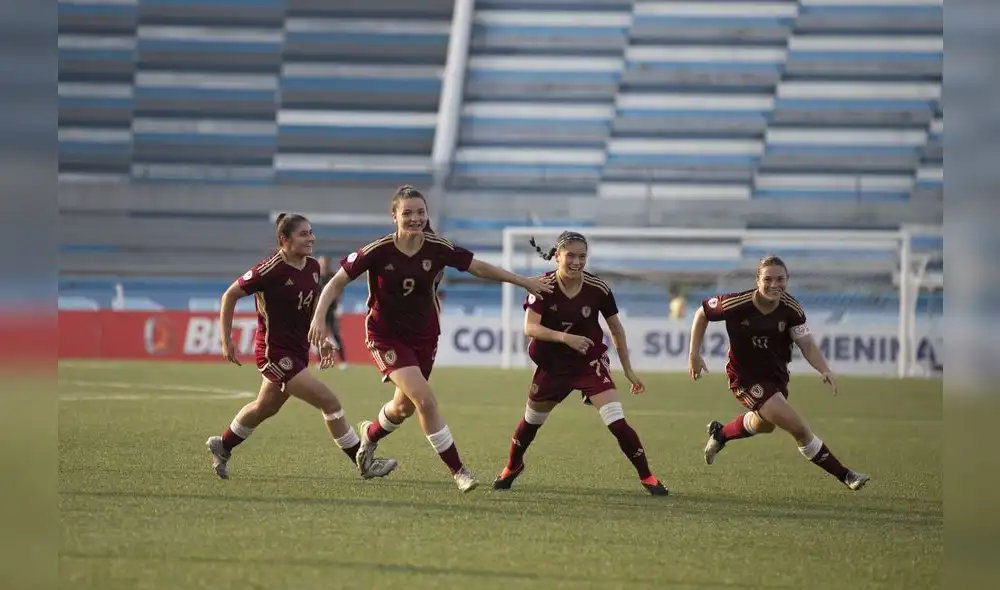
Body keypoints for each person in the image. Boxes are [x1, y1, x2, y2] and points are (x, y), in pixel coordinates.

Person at [308, 185, 554, 493]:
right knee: (424, 399)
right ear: (394, 216)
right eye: (407, 213)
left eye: (420, 212)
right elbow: (336, 282)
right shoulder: (378, 250)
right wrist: (319, 317)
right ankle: (459, 471)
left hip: (424, 335)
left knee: (403, 408)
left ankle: (369, 436)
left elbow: (478, 267)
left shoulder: (438, 247)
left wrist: (521, 281)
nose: (415, 218)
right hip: (386, 335)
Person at [205, 213, 398, 481]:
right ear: (284, 240)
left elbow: (310, 306)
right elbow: (230, 295)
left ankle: (223, 445)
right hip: (275, 354)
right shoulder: (268, 269)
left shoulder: (313, 267)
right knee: (329, 402)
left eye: (311, 232)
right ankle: (364, 462)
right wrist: (226, 339)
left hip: (298, 351)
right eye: (303, 234)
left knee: (265, 407)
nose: (311, 238)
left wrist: (321, 338)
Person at [491, 231, 669, 496]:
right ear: (557, 256)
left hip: (589, 362)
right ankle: (512, 466)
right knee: (531, 423)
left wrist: (628, 370)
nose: (577, 262)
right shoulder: (542, 286)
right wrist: (566, 338)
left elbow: (616, 329)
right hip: (553, 367)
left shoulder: (598, 289)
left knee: (617, 422)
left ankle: (648, 477)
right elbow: (531, 328)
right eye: (571, 256)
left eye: (582, 256)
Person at [688, 254, 869, 490]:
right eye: (768, 279)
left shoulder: (791, 308)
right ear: (757, 281)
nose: (774, 284)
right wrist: (694, 354)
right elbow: (702, 313)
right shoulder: (736, 303)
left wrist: (823, 369)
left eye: (780, 279)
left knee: (765, 424)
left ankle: (721, 434)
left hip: (776, 376)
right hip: (745, 378)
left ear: (787, 280)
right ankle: (846, 475)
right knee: (799, 428)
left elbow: (806, 342)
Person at [317, 256, 348, 370]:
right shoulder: (316, 278)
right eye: (321, 264)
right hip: (321, 312)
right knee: (320, 337)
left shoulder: (332, 276)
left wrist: (338, 306)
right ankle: (320, 361)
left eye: (324, 264)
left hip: (332, 310)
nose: (323, 266)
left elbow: (339, 291)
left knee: (335, 335)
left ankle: (343, 361)